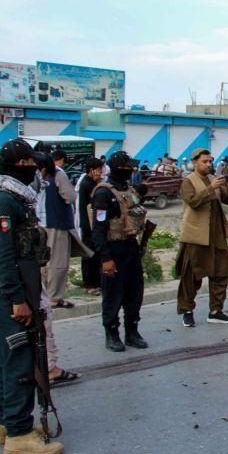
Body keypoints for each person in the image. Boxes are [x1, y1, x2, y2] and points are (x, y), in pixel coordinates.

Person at [0, 138, 63, 454]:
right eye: (31, 165)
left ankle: (6, 424)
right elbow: (2, 256)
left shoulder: (15, 197)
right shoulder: (3, 202)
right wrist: (17, 299)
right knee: (20, 360)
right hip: (5, 291)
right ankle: (19, 434)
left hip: (14, 288)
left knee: (10, 357)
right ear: (20, 166)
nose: (35, 171)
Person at [91, 151, 149, 352]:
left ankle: (132, 332)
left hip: (131, 246)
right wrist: (105, 258)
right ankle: (112, 333)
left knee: (134, 292)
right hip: (113, 249)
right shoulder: (103, 193)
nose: (131, 170)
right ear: (118, 168)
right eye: (127, 166)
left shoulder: (128, 189)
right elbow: (98, 229)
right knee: (113, 295)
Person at [176, 148, 228, 327]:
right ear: (195, 163)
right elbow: (193, 202)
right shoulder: (188, 182)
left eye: (210, 161)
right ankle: (187, 310)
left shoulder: (213, 179)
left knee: (221, 272)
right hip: (196, 234)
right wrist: (212, 188)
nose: (209, 165)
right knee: (192, 276)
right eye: (205, 162)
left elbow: (226, 200)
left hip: (217, 234)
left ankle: (216, 311)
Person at [42, 149, 76, 309]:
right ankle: (54, 297)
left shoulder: (33, 175)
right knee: (57, 261)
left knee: (43, 261)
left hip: (40, 223)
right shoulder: (58, 174)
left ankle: (42, 295)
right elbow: (70, 196)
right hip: (56, 223)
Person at [76, 158, 104, 295]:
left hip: (93, 224)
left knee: (96, 255)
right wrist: (99, 182)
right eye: (99, 169)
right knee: (89, 255)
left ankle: (97, 282)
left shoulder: (91, 182)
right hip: (88, 224)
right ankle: (90, 284)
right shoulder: (88, 184)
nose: (102, 172)